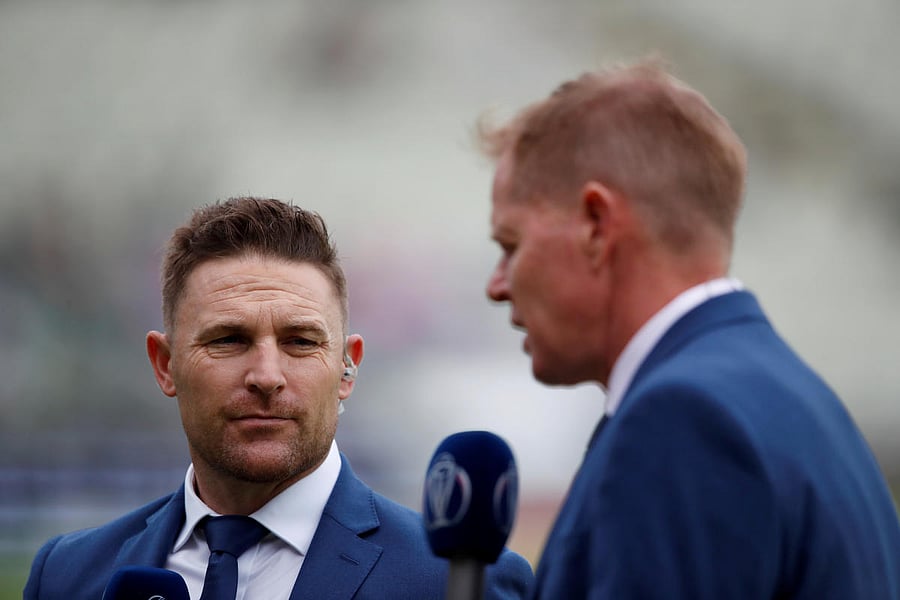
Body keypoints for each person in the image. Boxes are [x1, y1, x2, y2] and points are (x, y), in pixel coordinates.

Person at [480, 59, 900, 599]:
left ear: (596, 225)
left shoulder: (681, 419)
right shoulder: (794, 396)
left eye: (511, 245)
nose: (496, 285)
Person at [25, 196, 534, 599]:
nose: (266, 376)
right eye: (228, 340)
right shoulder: (67, 575)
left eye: (301, 342)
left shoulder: (460, 586)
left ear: (346, 368)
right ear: (165, 365)